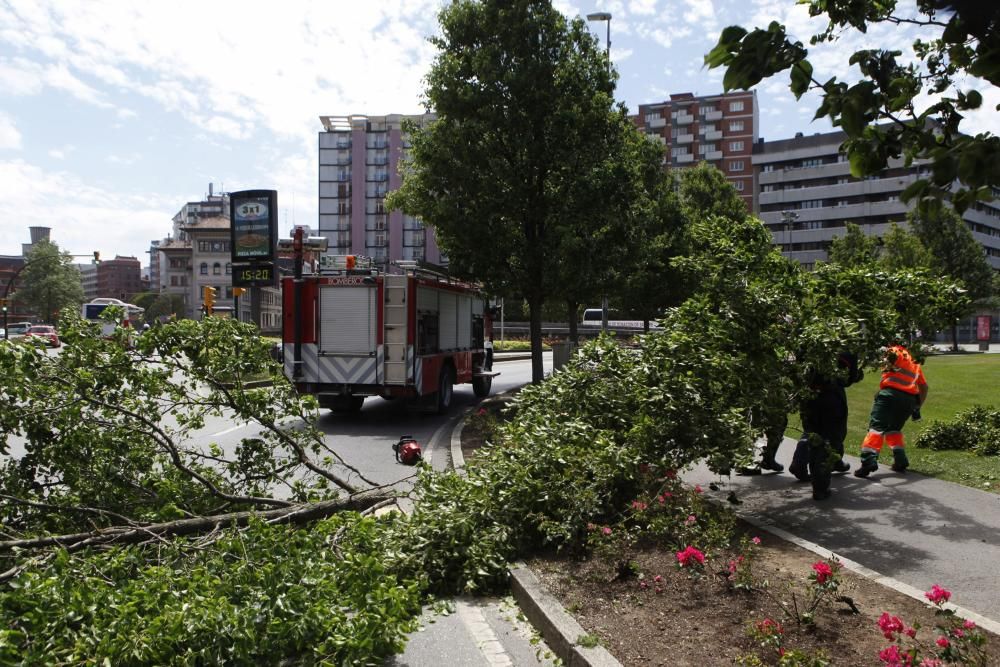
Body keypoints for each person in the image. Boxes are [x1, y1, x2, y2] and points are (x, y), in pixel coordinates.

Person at [790, 351, 864, 500]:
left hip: (809, 395)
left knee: (811, 431)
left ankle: (800, 463)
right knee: (830, 440)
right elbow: (848, 378)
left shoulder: (808, 340)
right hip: (831, 396)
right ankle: (820, 487)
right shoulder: (847, 347)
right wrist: (857, 376)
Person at [854, 344, 928, 478]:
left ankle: (868, 462)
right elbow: (924, 387)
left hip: (890, 395)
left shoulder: (892, 352)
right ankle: (900, 460)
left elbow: (876, 363)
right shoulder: (914, 361)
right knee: (894, 430)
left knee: (876, 428)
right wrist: (917, 406)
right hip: (908, 401)